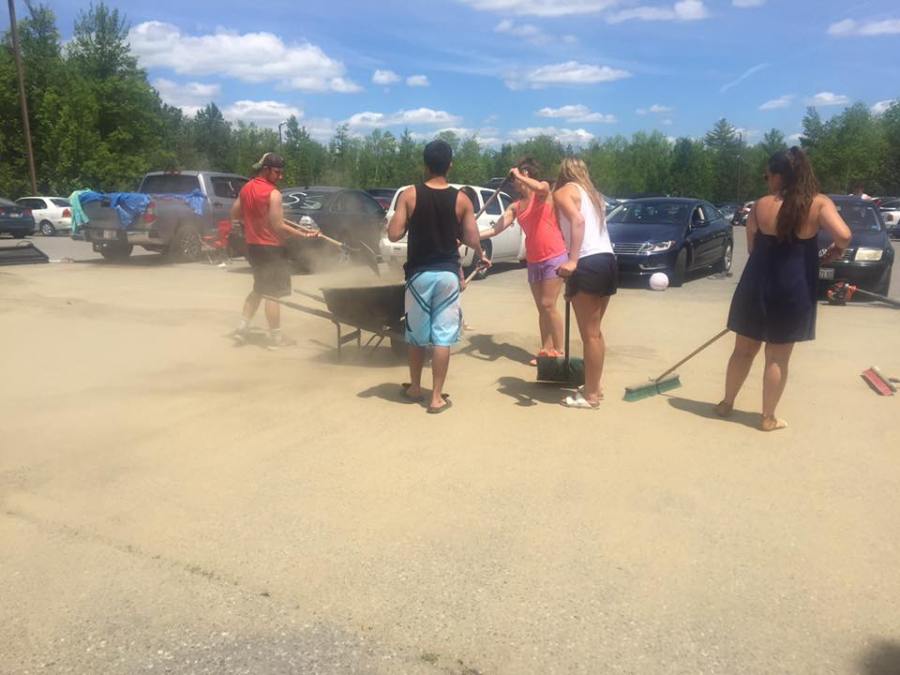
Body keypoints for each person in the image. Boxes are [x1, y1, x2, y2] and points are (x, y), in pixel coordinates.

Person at [718, 147, 851, 431]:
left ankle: (726, 403)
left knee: (742, 351)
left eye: (768, 175)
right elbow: (844, 235)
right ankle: (767, 418)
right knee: (777, 357)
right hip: (793, 288)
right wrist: (834, 251)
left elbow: (753, 248)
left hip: (756, 285)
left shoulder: (761, 205)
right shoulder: (818, 203)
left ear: (779, 176)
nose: (767, 180)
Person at [387, 139, 491, 414]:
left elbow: (393, 234)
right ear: (450, 165)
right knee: (442, 337)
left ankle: (414, 387)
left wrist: (410, 219)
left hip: (419, 275)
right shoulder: (462, 199)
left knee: (416, 334)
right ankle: (435, 398)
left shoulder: (409, 195)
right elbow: (471, 237)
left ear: (425, 165)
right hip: (447, 275)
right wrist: (478, 251)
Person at [482, 158, 568, 365]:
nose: (514, 183)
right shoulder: (516, 206)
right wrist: (470, 237)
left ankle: (560, 351)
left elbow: (539, 187)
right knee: (542, 308)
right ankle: (546, 350)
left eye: (517, 179)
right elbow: (495, 229)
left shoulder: (544, 191)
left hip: (554, 256)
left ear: (526, 175)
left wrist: (517, 174)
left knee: (549, 304)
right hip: (534, 260)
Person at [230, 152, 319, 349]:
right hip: (270, 249)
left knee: (259, 289)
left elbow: (235, 213)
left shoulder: (246, 188)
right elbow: (278, 225)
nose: (281, 176)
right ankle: (275, 339)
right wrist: (303, 234)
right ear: (266, 169)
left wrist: (255, 217)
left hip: (253, 247)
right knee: (272, 294)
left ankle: (242, 330)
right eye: (277, 172)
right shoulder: (273, 193)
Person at [553, 158, 617, 410]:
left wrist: (572, 261)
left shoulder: (562, 192)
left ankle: (590, 396)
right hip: (608, 260)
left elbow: (577, 222)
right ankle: (595, 387)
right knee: (596, 332)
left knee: (589, 335)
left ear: (563, 172)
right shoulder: (593, 195)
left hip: (588, 261)